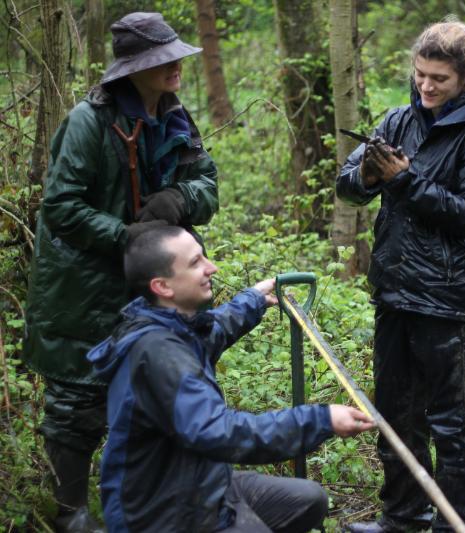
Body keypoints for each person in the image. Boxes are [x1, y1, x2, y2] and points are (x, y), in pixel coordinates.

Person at [23, 12, 219, 532]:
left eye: (176, 55)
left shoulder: (175, 115)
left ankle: (154, 493)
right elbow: (60, 208)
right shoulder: (89, 122)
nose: (175, 65)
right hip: (84, 285)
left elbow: (208, 186)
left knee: (161, 381)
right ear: (133, 68)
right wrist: (126, 237)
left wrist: (179, 197)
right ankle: (70, 512)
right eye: (162, 59)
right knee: (76, 398)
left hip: (155, 285)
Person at [336, 20, 465, 533]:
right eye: (420, 76)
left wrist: (405, 180)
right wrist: (368, 174)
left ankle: (457, 524)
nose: (427, 87)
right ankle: (402, 519)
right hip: (394, 293)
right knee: (397, 416)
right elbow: (349, 188)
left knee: (458, 425)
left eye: (439, 79)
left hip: (451, 301)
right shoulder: (396, 120)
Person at [86, 225, 375, 532]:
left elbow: (214, 330)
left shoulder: (170, 323)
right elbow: (217, 431)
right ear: (163, 286)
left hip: (200, 480)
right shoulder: (157, 354)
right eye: (196, 263)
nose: (211, 267)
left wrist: (253, 298)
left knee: (309, 499)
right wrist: (320, 419)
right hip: (163, 511)